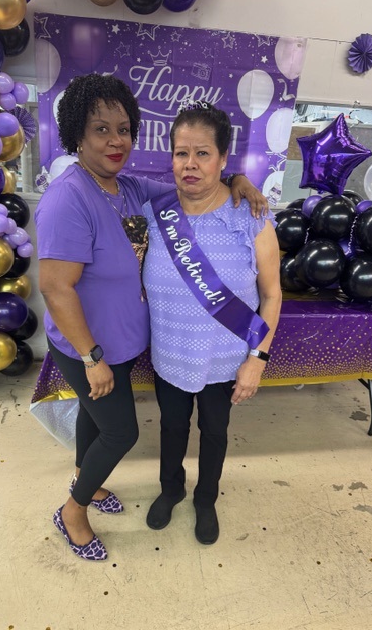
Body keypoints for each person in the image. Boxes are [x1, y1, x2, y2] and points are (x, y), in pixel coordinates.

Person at [34, 74, 268, 561]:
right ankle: (73, 512)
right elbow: (55, 288)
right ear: (77, 134)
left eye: (123, 129)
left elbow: (194, 184)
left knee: (96, 421)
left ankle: (90, 482)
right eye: (101, 129)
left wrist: (238, 181)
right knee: (121, 431)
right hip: (88, 346)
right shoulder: (67, 197)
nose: (115, 140)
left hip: (121, 343)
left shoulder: (127, 188)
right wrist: (91, 357)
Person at [143, 101, 282, 545]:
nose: (190, 164)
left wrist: (257, 359)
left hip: (225, 359)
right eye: (181, 153)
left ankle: (206, 499)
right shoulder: (154, 212)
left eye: (203, 153)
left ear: (223, 159)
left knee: (215, 432)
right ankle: (171, 489)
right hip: (169, 353)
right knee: (171, 427)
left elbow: (272, 295)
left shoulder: (252, 216)